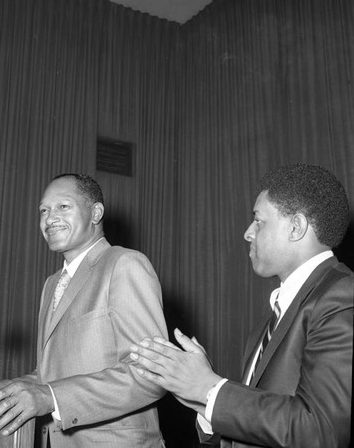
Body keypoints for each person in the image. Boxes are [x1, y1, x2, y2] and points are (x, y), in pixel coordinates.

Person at [129, 163, 353, 448]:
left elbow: (323, 432)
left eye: (258, 221)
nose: (248, 233)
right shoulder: (267, 323)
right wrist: (201, 401)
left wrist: (210, 389)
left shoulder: (342, 296)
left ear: (296, 227)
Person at [0, 173, 168, 447]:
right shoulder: (51, 284)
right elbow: (47, 378)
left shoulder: (124, 264)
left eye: (62, 207)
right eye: (43, 210)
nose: (49, 218)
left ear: (95, 213)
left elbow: (152, 372)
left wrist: (50, 398)